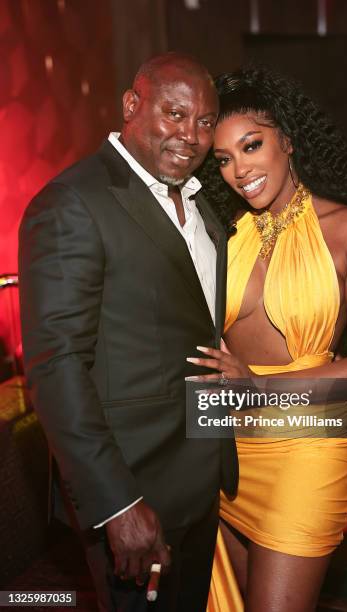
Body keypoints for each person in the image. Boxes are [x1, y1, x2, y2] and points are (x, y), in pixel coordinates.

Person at [188, 67, 347, 611]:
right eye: (223, 158)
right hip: (224, 446)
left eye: (251, 145)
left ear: (287, 141)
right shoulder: (223, 232)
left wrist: (259, 391)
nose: (239, 170)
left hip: (306, 446)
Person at [18, 52, 238, 612]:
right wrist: (117, 505)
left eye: (206, 122)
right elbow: (55, 365)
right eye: (174, 113)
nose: (191, 135)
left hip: (200, 478)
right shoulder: (73, 203)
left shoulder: (201, 205)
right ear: (132, 106)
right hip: (135, 490)